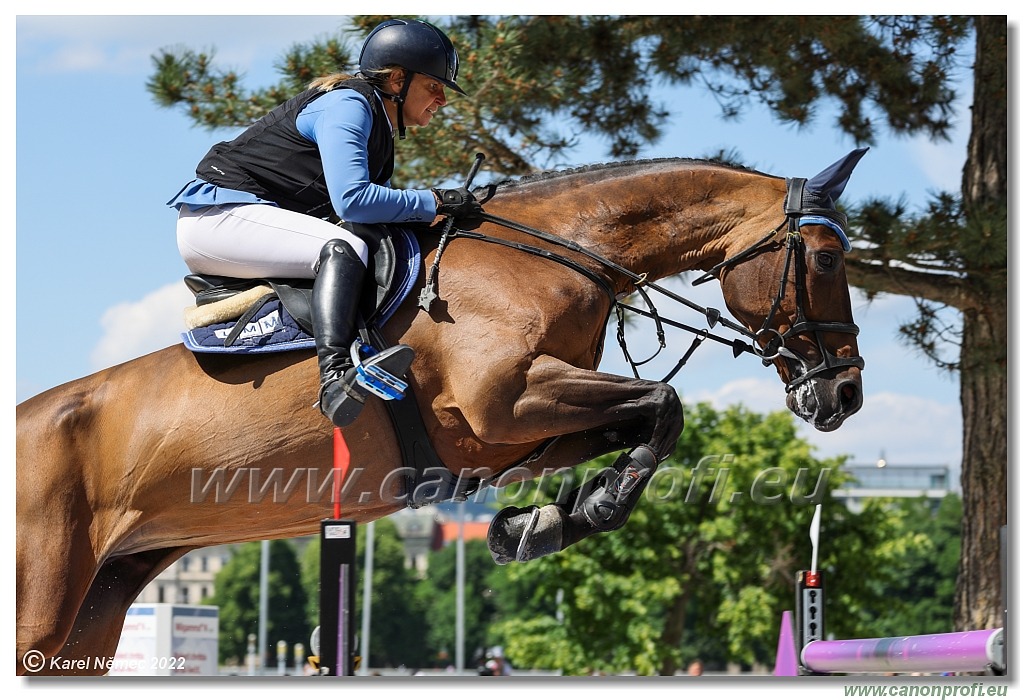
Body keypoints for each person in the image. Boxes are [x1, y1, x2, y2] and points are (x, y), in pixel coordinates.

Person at [168, 18, 485, 427]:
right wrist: (435, 199)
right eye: (434, 86)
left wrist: (438, 214)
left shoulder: (378, 129)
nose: (442, 99)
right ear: (396, 79)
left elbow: (375, 213)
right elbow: (354, 202)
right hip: (218, 219)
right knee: (342, 248)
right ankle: (336, 375)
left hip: (244, 220)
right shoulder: (348, 105)